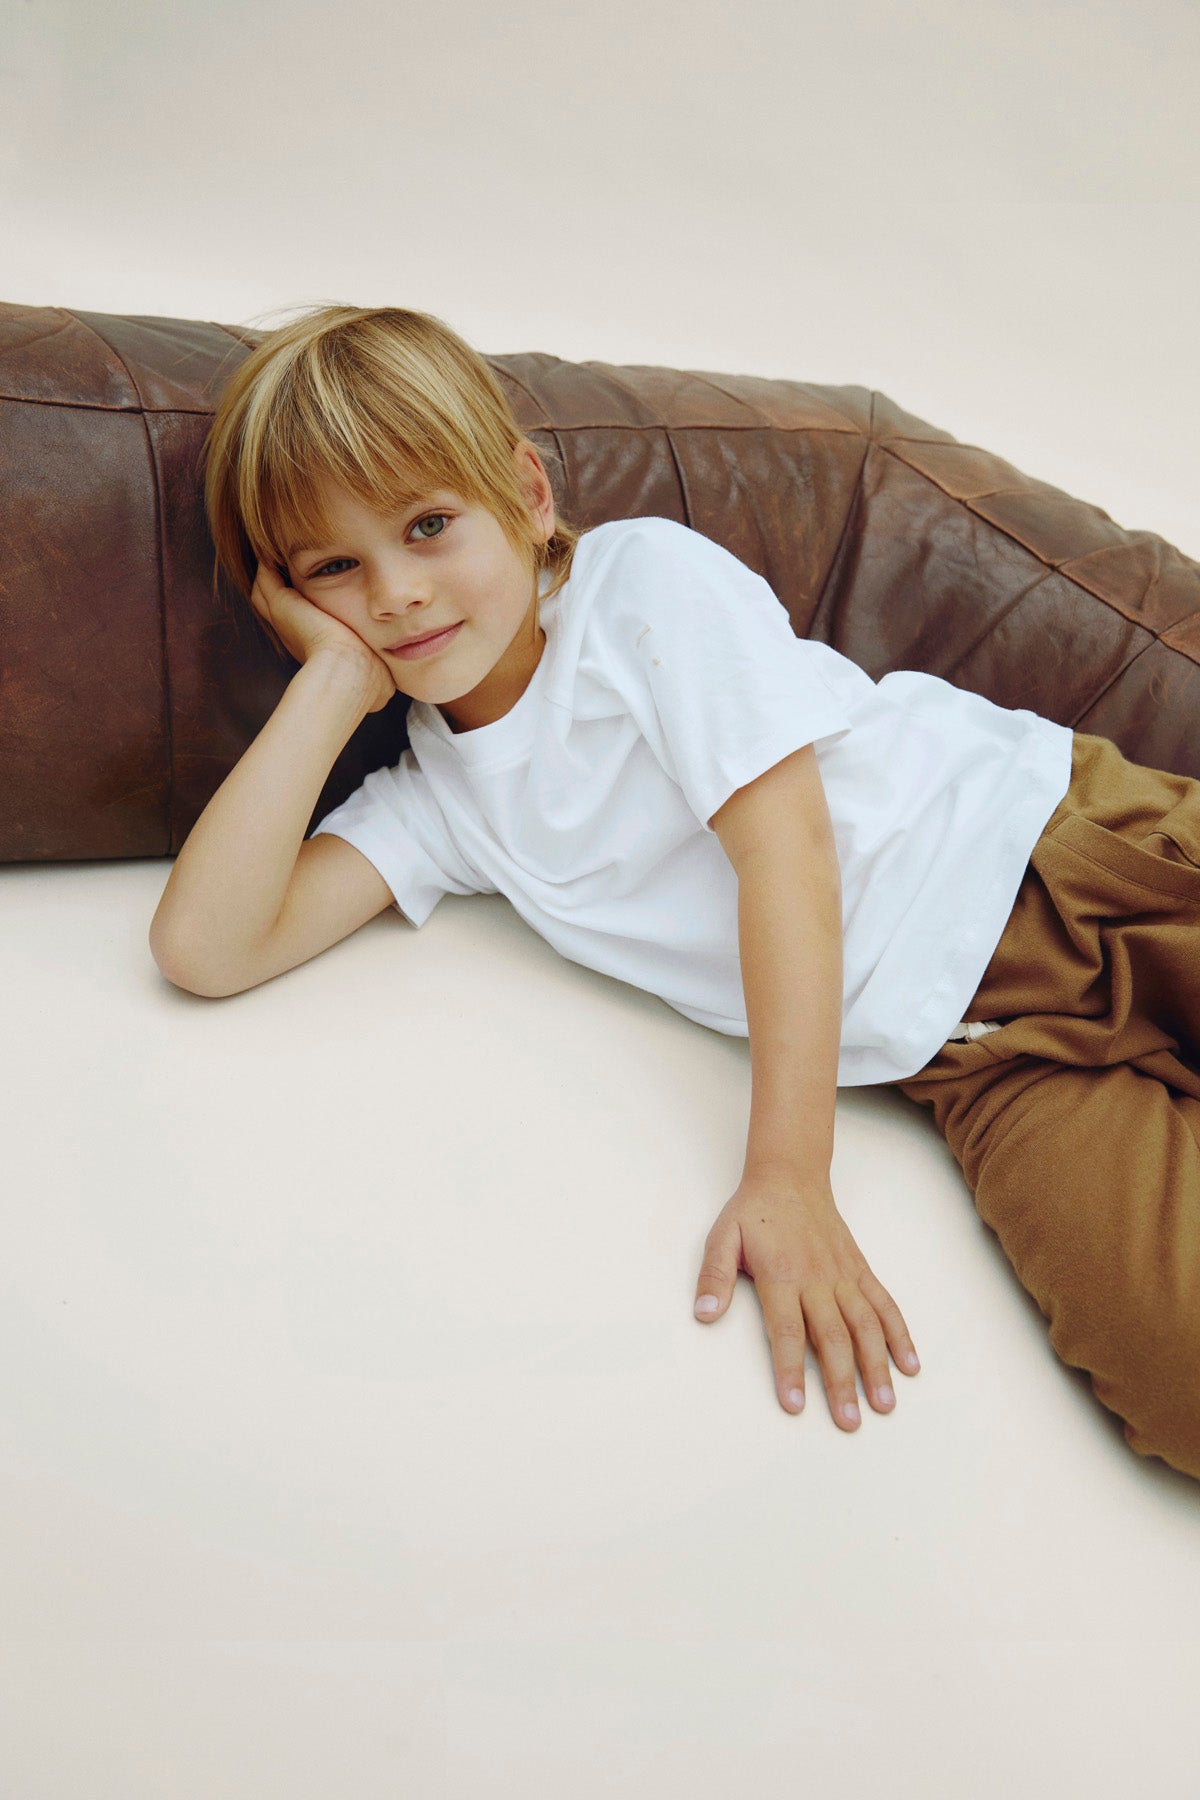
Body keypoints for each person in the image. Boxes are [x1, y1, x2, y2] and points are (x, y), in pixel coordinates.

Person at [150, 303, 1200, 1483]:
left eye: (430, 526)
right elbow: (209, 947)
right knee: (1180, 1388)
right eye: (333, 569)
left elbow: (785, 850)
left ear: (529, 497)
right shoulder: (439, 802)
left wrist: (787, 1176)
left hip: (1070, 857)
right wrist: (335, 679)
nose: (394, 592)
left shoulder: (636, 588)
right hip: (982, 1051)